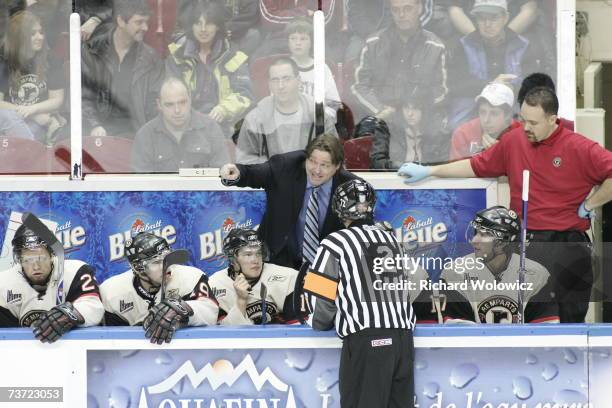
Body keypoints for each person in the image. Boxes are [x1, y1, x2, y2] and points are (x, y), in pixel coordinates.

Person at [398, 86, 612, 323]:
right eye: (523, 120)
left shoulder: (579, 146)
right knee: (529, 320)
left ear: (553, 119)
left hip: (570, 245)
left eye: (533, 122)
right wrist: (431, 170)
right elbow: (475, 165)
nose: (526, 127)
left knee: (572, 320)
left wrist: (591, 204)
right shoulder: (513, 141)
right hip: (529, 244)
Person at [304, 179, 415, 408]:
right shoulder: (392, 240)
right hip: (404, 340)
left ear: (339, 208)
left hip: (368, 340)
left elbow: (320, 301)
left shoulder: (335, 242)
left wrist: (318, 323)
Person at [220, 134, 357, 269]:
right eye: (312, 161)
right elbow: (254, 173)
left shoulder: (351, 188)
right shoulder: (285, 166)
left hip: (325, 267)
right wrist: (237, 173)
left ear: (337, 166)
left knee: (320, 291)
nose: (316, 170)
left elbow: (361, 234)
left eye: (324, 165)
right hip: (278, 261)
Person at [440, 206, 559, 323]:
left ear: (503, 242)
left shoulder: (536, 275)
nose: (475, 240)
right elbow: (457, 332)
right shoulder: (455, 272)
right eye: (476, 233)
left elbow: (544, 332)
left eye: (484, 234)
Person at [447, 0, 553, 128]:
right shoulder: (463, 45)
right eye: (481, 18)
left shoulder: (522, 45)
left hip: (512, 106)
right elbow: (456, 85)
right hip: (474, 106)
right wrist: (492, 84)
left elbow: (533, 85)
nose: (487, 24)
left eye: (494, 18)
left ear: (505, 18)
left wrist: (508, 89)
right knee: (457, 126)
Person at [100, 232, 219, 344]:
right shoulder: (112, 292)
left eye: (167, 258)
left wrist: (185, 309)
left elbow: (211, 313)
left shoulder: (191, 277)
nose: (167, 266)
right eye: (157, 262)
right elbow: (112, 341)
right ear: (138, 268)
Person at [350, 0, 448, 131]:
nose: (401, 15)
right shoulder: (373, 43)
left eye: (407, 8)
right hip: (381, 119)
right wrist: (380, 110)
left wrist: (418, 112)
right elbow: (359, 87)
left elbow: (441, 91)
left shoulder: (435, 47)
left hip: (421, 122)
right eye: (396, 10)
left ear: (419, 8)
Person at [0, 223, 104, 342]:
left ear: (51, 254)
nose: (36, 266)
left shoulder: (76, 271)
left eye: (42, 258)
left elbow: (95, 308)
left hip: (70, 350)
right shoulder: (3, 283)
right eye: (28, 259)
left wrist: (69, 314)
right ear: (19, 259)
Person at [81, 0, 164, 138]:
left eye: (146, 22)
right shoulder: (93, 50)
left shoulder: (151, 59)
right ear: (121, 21)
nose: (145, 27)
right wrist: (94, 125)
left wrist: (148, 134)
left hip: (134, 130)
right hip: (98, 128)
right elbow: (84, 94)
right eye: (139, 22)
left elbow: (154, 103)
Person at [166, 2, 253, 133]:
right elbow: (171, 94)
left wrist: (224, 109)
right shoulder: (178, 57)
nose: (203, 29)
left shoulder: (233, 56)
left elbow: (245, 94)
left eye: (209, 23)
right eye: (198, 23)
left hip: (222, 125)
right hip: (185, 125)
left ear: (218, 26)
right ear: (191, 26)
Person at [235, 57, 337, 164]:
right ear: (269, 84)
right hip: (268, 179)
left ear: (299, 81)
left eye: (286, 79)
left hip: (310, 179)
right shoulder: (255, 119)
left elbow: (333, 159)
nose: (281, 86)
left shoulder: (319, 117)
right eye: (275, 80)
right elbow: (245, 162)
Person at [131, 77, 229, 172]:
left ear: (190, 98)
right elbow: (142, 183)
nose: (177, 110)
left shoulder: (211, 129)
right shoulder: (145, 136)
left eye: (182, 102)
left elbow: (222, 177)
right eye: (169, 104)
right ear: (159, 104)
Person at [0, 11, 66, 144]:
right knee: (5, 116)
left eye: (41, 32)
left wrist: (33, 110)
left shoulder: (51, 59)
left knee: (23, 137)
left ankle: (29, 152)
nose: (39, 37)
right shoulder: (4, 61)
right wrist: (33, 115)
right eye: (32, 34)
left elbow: (57, 100)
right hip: (19, 118)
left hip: (41, 119)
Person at [210, 228, 300, 324]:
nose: (255, 260)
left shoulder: (289, 276)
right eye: (248, 254)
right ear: (233, 259)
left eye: (258, 253)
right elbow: (222, 334)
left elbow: (300, 329)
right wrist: (241, 300)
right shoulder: (214, 284)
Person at [369, 87, 449, 169]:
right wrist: (401, 167)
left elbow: (443, 168)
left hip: (427, 180)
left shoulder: (439, 136)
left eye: (416, 108)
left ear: (425, 111)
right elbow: (376, 163)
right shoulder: (388, 131)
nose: (410, 113)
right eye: (406, 107)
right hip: (394, 178)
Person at [286, 18, 341, 122]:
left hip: (318, 124)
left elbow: (334, 104)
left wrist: (319, 117)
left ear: (311, 42)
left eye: (303, 39)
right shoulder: (282, 67)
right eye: (293, 38)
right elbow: (276, 104)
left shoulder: (322, 68)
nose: (298, 43)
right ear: (287, 42)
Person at [449, 82, 519, 160]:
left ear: (507, 115)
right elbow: (456, 169)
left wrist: (500, 155)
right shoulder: (463, 133)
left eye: (494, 113)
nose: (486, 120)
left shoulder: (522, 134)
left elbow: (525, 169)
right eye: (483, 112)